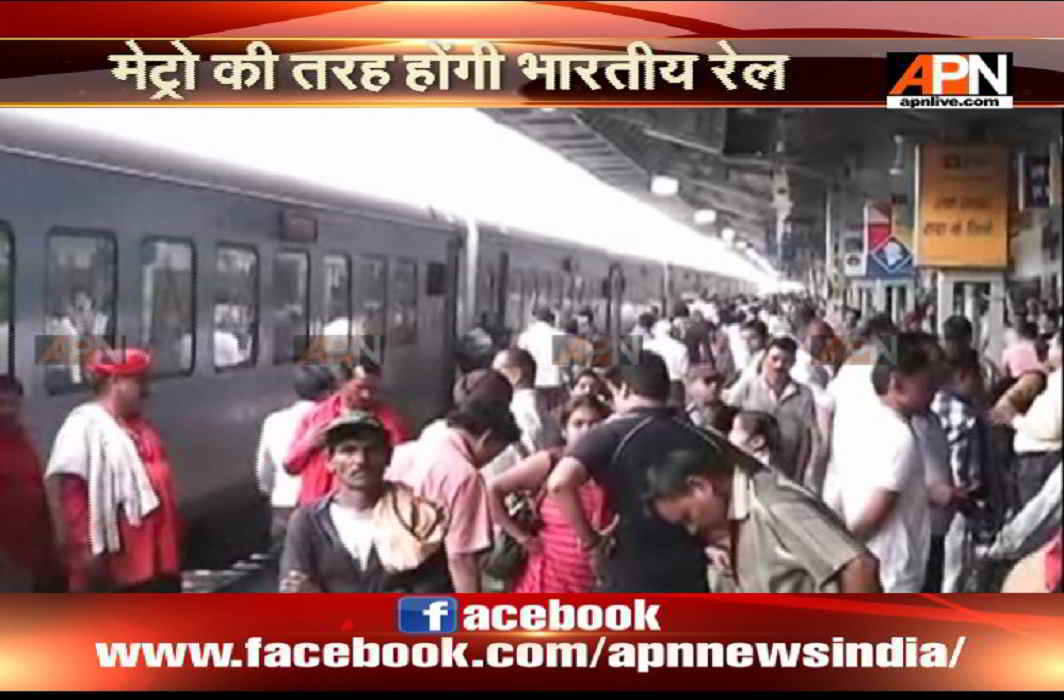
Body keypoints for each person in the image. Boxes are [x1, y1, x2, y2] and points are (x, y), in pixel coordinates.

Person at [546, 351, 711, 592]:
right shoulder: (699, 436)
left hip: (630, 565)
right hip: (688, 566)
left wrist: (591, 542)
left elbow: (559, 483)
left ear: (623, 389)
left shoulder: (610, 434)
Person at [644, 440, 881, 593]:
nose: (692, 529)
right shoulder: (727, 527)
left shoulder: (775, 505)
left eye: (688, 517)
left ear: (700, 487)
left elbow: (859, 566)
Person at [46, 349, 181, 592]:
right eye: (139, 381)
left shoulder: (142, 426)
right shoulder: (84, 428)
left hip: (159, 559)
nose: (146, 390)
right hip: (121, 564)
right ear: (115, 381)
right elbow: (72, 498)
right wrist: (86, 549)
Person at [278, 412, 450, 593]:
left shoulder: (418, 519)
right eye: (348, 450)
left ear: (388, 457)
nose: (360, 460)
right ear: (329, 461)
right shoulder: (308, 522)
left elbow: (433, 605)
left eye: (372, 450)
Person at [835, 333, 939, 592]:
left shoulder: (865, 422)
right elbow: (875, 513)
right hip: (893, 571)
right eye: (927, 384)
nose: (934, 392)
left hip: (871, 565)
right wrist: (843, 549)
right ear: (897, 384)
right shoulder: (899, 436)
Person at [388, 399, 521, 593]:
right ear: (487, 438)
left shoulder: (409, 450)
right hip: (425, 580)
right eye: (496, 453)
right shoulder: (464, 475)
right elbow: (460, 557)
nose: (490, 460)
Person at [487, 395, 613, 593]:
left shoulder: (611, 465)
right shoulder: (551, 462)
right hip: (546, 582)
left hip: (592, 584)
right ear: (564, 430)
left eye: (594, 423)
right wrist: (522, 537)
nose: (587, 431)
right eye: (578, 424)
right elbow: (494, 490)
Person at [284, 360, 410, 506]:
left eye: (373, 390)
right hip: (317, 509)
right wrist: (309, 443)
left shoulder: (389, 420)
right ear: (342, 383)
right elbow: (290, 466)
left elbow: (403, 467)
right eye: (360, 388)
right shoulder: (316, 417)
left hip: (368, 508)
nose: (366, 395)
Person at [725, 337, 822, 492]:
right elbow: (728, 417)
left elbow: (806, 438)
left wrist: (800, 475)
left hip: (786, 469)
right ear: (765, 357)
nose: (779, 365)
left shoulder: (803, 394)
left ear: (793, 363)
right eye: (774, 359)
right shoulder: (748, 386)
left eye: (786, 361)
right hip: (750, 469)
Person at [255, 365, 336, 543]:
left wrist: (270, 492)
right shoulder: (331, 420)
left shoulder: (273, 421)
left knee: (285, 558)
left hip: (283, 503)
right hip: (320, 503)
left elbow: (264, 470)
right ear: (328, 390)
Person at [0, 376, 62, 592]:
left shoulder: (24, 440)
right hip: (7, 555)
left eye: (13, 404)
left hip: (35, 549)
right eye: (1, 404)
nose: (8, 411)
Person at [991, 328, 1062, 509]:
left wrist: (1015, 419)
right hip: (1037, 461)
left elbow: (1051, 427)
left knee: (1037, 525)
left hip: (1042, 462)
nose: (1049, 348)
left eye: (1053, 344)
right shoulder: (1052, 379)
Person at [488, 348, 563, 476]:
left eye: (497, 372)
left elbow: (529, 457)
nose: (490, 378)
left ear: (515, 374)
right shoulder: (544, 411)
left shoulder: (519, 411)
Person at [517, 305, 565, 408]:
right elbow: (564, 364)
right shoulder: (560, 335)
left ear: (535, 319)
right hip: (554, 382)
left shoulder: (525, 336)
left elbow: (520, 359)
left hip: (532, 381)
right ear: (551, 319)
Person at [645, 318, 690, 405]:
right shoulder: (681, 347)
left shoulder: (646, 346)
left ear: (655, 331)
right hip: (675, 385)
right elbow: (684, 371)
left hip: (653, 385)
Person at [686, 363, 737, 434]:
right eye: (708, 381)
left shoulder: (734, 417)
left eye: (718, 380)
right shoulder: (681, 416)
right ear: (691, 386)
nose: (715, 385)